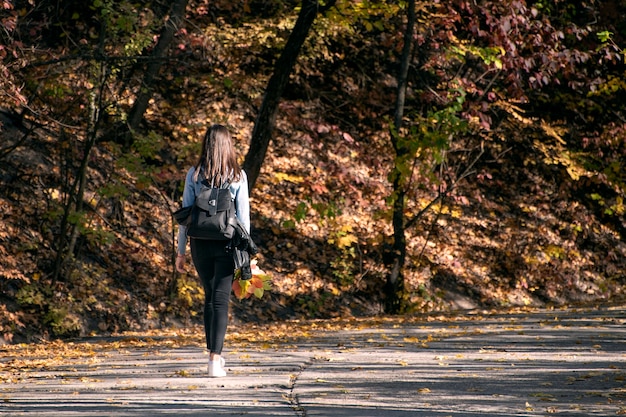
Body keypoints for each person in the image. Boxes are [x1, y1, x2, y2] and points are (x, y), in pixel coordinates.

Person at [175, 124, 250, 378]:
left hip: (199, 243)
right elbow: (244, 221)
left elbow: (185, 215)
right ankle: (215, 360)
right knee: (220, 300)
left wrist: (181, 252)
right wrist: (246, 256)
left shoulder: (194, 175)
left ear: (206, 145)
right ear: (228, 145)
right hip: (227, 243)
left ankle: (212, 356)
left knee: (209, 297)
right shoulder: (238, 177)